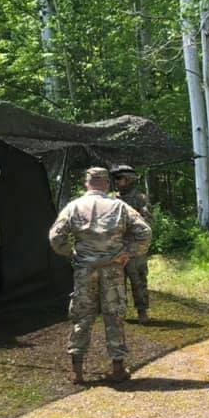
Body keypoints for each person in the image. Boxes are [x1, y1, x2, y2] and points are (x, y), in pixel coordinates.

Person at [49, 166, 152, 384]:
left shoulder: (73, 207)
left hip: (85, 270)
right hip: (112, 269)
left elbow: (56, 237)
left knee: (82, 317)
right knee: (114, 316)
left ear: (87, 183)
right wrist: (127, 253)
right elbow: (145, 233)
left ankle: (77, 371)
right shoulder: (119, 206)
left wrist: (73, 254)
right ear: (106, 184)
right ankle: (117, 369)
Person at [112, 164, 153, 325]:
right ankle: (119, 312)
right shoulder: (111, 199)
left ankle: (142, 311)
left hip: (135, 249)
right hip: (116, 248)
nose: (116, 182)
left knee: (138, 280)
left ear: (129, 180)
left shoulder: (140, 198)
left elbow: (148, 222)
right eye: (115, 179)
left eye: (119, 178)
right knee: (116, 282)